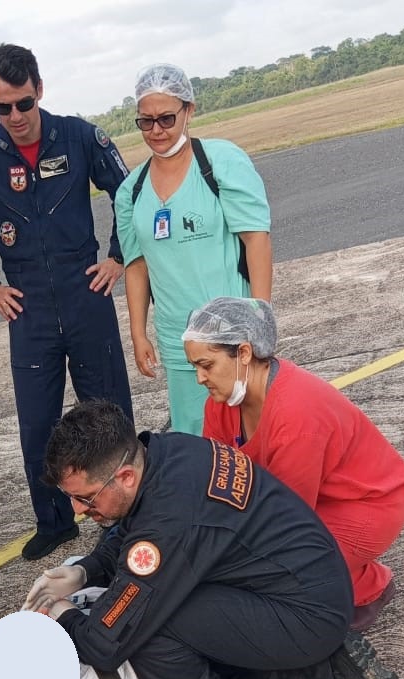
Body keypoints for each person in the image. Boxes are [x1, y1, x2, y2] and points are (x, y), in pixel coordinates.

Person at [24, 400, 402, 679]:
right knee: (179, 630)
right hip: (303, 587)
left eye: (86, 498)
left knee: (145, 628)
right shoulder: (168, 452)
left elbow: (105, 645)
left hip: (303, 613)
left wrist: (63, 614)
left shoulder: (170, 520)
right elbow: (135, 529)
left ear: (125, 476)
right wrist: (86, 569)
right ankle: (332, 672)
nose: (77, 510)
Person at [0, 43, 134, 561]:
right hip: (28, 310)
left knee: (109, 411)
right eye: (2, 107)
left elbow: (128, 193)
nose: (15, 116)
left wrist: (118, 256)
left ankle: (126, 513)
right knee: (37, 424)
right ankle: (54, 521)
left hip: (86, 294)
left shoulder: (78, 136)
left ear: (40, 89)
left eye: (23, 103)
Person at [182, 296, 404, 631]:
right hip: (315, 498)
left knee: (274, 567)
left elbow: (287, 519)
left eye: (207, 365)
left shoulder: (296, 413)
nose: (200, 378)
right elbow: (214, 476)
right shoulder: (221, 402)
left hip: (368, 503)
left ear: (244, 353)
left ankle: (366, 587)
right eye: (195, 367)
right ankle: (344, 572)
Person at [115, 63, 272, 435]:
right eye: (146, 121)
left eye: (166, 119)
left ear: (189, 110)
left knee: (249, 437)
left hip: (233, 336)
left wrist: (261, 317)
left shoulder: (221, 163)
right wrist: (138, 333)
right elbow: (136, 265)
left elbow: (256, 239)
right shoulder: (131, 191)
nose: (156, 130)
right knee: (195, 440)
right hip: (180, 343)